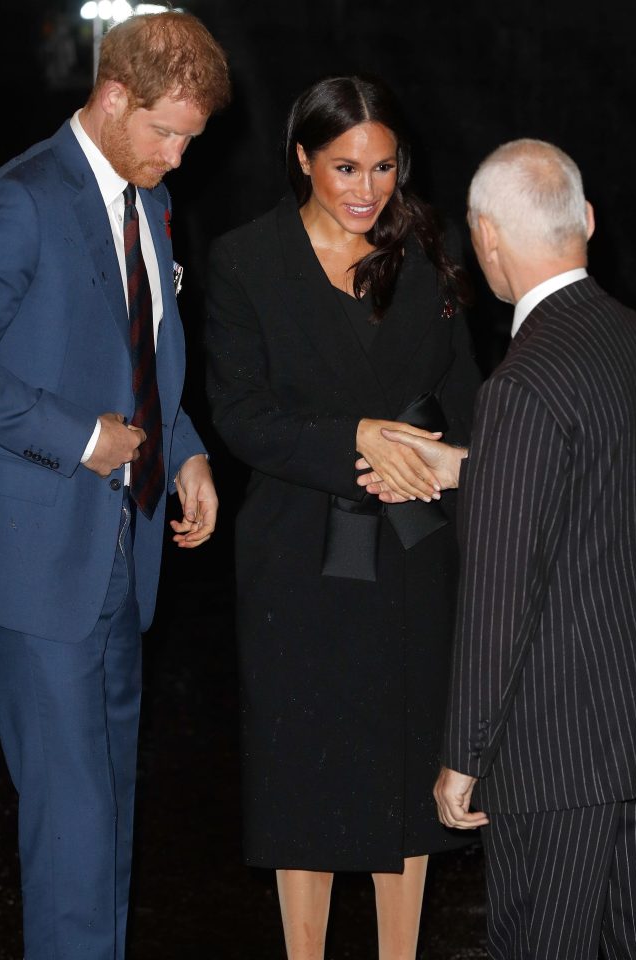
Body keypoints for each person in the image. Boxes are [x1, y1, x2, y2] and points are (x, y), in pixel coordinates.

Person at [0, 12, 229, 960]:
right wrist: (80, 440)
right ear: (112, 98)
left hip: (123, 557)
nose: (179, 157)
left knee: (104, 821)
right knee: (71, 827)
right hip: (36, 564)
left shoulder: (145, 200)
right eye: (166, 133)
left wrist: (182, 447)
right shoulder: (20, 200)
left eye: (191, 139)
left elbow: (142, 356)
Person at [360, 139, 636, 959]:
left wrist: (463, 756)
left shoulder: (520, 384)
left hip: (555, 753)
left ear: (486, 240)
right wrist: (470, 466)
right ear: (586, 220)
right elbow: (607, 487)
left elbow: (502, 592)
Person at [204, 75, 482, 960]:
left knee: (406, 771)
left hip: (412, 548)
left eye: (384, 168)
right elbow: (241, 415)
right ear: (301, 159)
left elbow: (462, 392)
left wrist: (432, 462)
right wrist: (355, 440)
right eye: (343, 167)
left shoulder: (428, 246)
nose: (367, 190)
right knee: (305, 776)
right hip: (298, 556)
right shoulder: (246, 260)